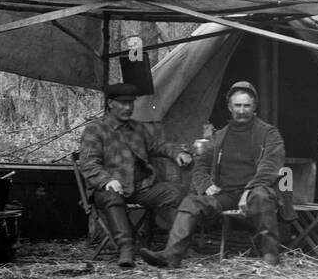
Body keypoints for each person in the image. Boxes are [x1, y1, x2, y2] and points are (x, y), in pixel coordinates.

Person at [141, 81, 285, 269]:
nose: (242, 110)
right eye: (237, 105)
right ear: (229, 107)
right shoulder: (220, 136)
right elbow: (200, 165)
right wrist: (206, 185)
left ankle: (270, 256)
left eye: (246, 105)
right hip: (225, 194)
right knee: (191, 202)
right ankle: (171, 255)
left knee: (262, 196)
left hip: (254, 193)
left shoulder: (268, 133)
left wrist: (249, 190)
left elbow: (270, 165)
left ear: (254, 106)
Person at [78, 82, 188, 267]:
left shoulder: (137, 128)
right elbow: (89, 164)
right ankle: (126, 248)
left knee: (176, 193)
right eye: (123, 103)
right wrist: (107, 181)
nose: (128, 107)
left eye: (131, 103)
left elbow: (157, 145)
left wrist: (177, 152)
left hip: (141, 187)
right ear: (111, 103)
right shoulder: (95, 129)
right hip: (110, 188)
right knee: (111, 196)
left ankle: (174, 249)